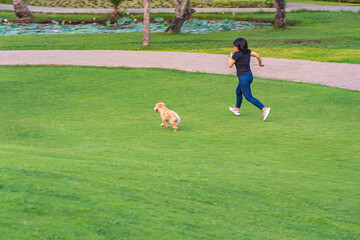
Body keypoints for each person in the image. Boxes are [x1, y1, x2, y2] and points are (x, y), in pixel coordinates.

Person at [228, 37, 271, 121]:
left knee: (248, 97)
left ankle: (264, 109)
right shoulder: (248, 51)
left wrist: (230, 55)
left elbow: (230, 65)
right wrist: (260, 64)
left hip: (243, 78)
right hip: (249, 76)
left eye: (235, 46)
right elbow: (258, 55)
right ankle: (237, 109)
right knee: (238, 91)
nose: (234, 47)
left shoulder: (236, 54)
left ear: (238, 47)